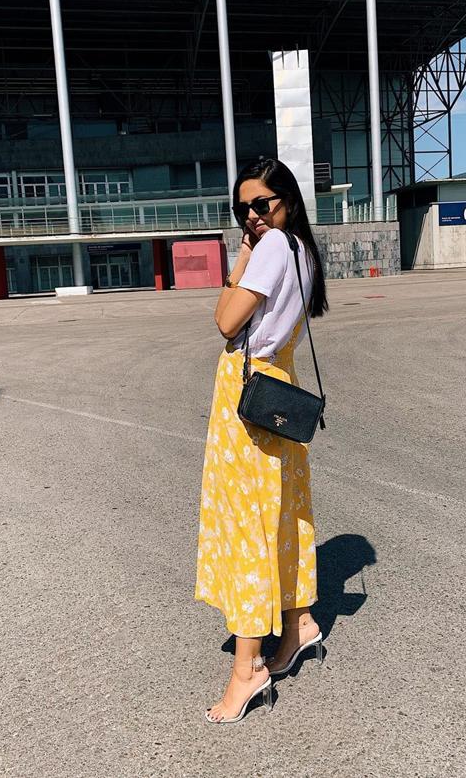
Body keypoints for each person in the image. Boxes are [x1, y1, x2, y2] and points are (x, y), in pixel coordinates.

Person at [195, 157, 329, 724]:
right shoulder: (303, 252)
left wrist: (242, 260)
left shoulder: (272, 248)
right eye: (243, 208)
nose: (251, 215)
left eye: (262, 204)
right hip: (284, 389)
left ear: (287, 202)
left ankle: (246, 671)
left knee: (246, 522)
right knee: (284, 512)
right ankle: (297, 622)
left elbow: (227, 323)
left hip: (248, 395)